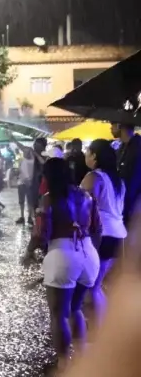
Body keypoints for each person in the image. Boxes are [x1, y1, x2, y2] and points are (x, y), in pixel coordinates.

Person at [22, 158, 101, 371]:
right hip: (88, 254)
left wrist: (29, 252)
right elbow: (97, 228)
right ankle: (84, 359)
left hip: (62, 254)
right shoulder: (86, 195)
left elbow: (41, 234)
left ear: (48, 176)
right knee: (76, 308)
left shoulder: (49, 199)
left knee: (59, 315)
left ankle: (65, 364)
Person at [80, 139, 127, 326]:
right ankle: (102, 325)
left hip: (101, 235)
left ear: (94, 156)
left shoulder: (93, 177)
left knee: (92, 286)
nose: (85, 156)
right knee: (96, 285)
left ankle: (104, 328)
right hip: (117, 235)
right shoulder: (118, 181)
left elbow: (83, 206)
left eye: (87, 152)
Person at [111, 123, 141, 227]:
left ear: (119, 126)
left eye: (112, 125)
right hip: (123, 204)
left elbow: (135, 179)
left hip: (131, 206)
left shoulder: (137, 147)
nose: (110, 128)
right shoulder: (122, 147)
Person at [16, 148, 35, 225]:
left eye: (27, 152)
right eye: (24, 152)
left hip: (30, 183)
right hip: (21, 183)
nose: (25, 153)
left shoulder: (34, 161)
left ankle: (29, 217)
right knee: (21, 201)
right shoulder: (21, 161)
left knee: (30, 201)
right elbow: (19, 171)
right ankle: (22, 216)